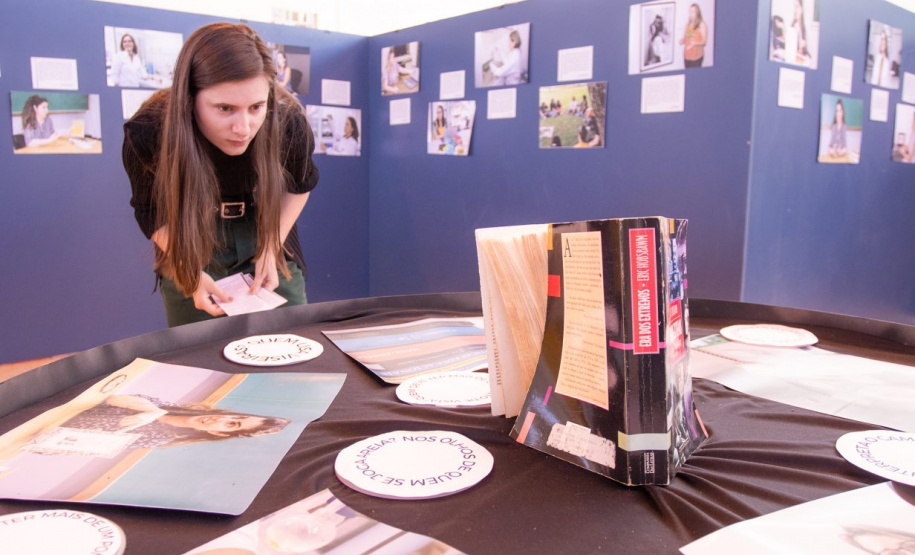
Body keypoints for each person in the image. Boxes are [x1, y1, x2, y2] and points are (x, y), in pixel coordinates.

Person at [123, 23, 319, 327]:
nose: (243, 129)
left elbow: (301, 183)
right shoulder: (148, 131)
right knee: (200, 359)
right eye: (225, 108)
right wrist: (188, 269)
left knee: (293, 344)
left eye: (256, 107)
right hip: (188, 237)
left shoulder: (289, 119)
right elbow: (151, 211)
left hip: (267, 226)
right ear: (189, 99)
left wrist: (271, 245)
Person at [57, 394, 290, 450]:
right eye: (235, 417)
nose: (224, 418)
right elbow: (109, 397)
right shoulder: (171, 406)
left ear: (218, 434)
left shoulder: (159, 437)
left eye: (231, 425)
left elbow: (80, 434)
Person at [680, 3, 708, 68]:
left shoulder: (702, 24)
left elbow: (704, 41)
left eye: (693, 11)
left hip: (696, 58)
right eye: (690, 11)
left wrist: (695, 43)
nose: (691, 13)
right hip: (686, 56)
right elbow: (688, 37)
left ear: (697, 13)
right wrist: (683, 41)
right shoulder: (688, 24)